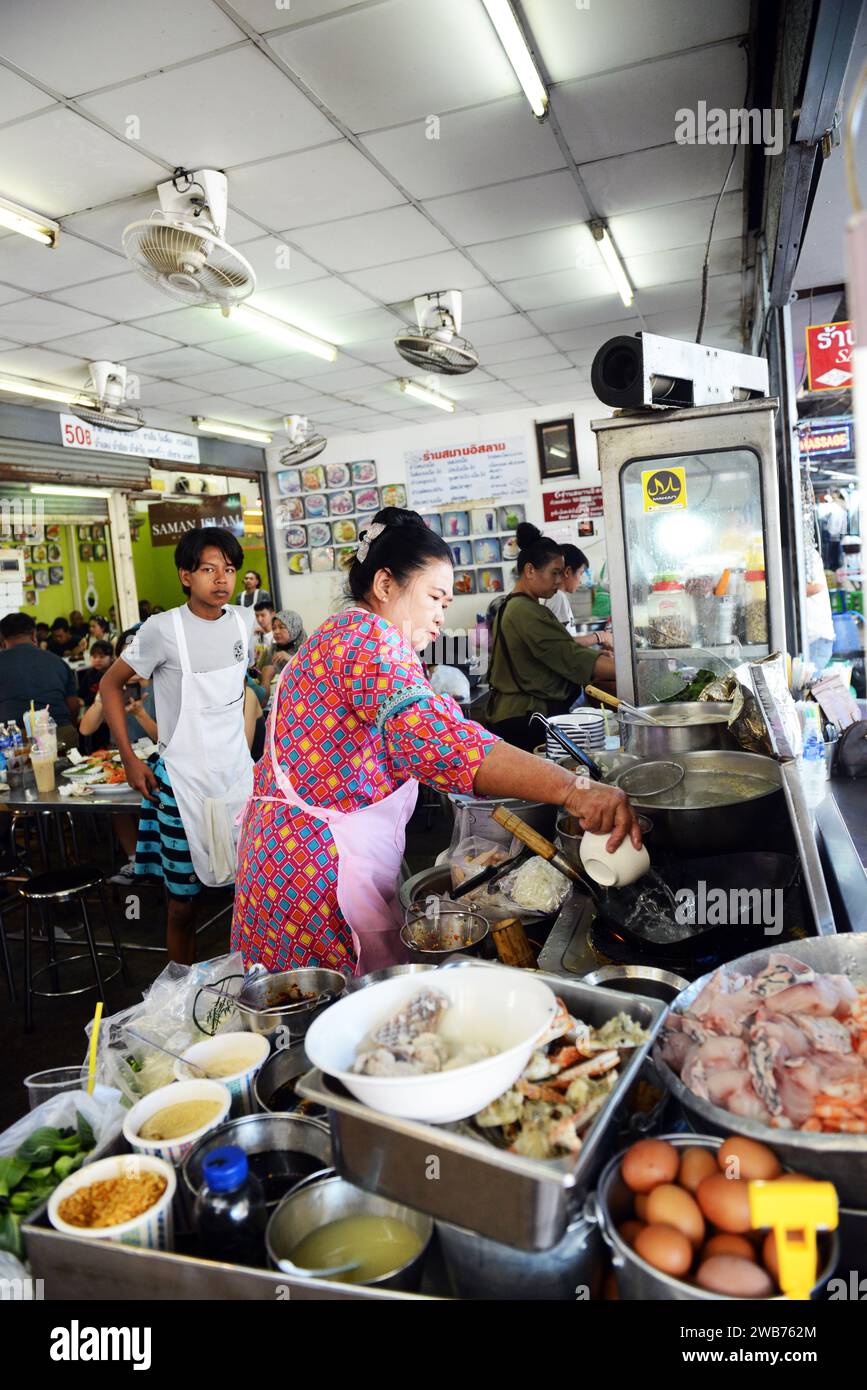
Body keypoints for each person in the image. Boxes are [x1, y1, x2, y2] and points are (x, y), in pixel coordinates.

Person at [232, 507, 639, 976]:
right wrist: (573, 790)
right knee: (333, 1020)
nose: (440, 618)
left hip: (288, 859)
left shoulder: (341, 634)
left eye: (447, 604)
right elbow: (440, 742)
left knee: (298, 1014)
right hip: (312, 874)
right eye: (434, 598)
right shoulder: (367, 640)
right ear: (385, 585)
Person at [99, 528, 255, 964]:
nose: (221, 579)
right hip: (181, 783)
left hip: (238, 778)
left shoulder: (243, 622)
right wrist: (130, 759)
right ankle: (182, 994)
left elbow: (240, 694)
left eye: (228, 569)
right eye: (209, 569)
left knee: (252, 891)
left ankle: (254, 983)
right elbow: (110, 685)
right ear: (186, 576)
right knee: (183, 905)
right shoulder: (162, 630)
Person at [485, 524, 616, 752]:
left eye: (562, 572)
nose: (559, 580)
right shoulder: (524, 611)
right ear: (530, 571)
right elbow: (570, 656)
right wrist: (625, 670)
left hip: (519, 714)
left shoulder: (518, 606)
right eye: (554, 572)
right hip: (524, 717)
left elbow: (560, 651)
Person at [0, 612, 80, 747]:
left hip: (15, 741)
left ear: (2, 640)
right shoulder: (58, 662)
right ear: (33, 635)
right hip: (61, 734)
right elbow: (73, 705)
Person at [805, 545, 836, 673]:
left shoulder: (809, 555)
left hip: (817, 639)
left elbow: (817, 587)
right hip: (815, 640)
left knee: (809, 688)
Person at [259, 610, 306, 693]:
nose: (276, 632)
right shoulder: (271, 651)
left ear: (294, 627)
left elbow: (311, 673)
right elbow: (259, 676)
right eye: (274, 628)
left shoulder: (306, 648)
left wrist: (291, 659)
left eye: (281, 627)